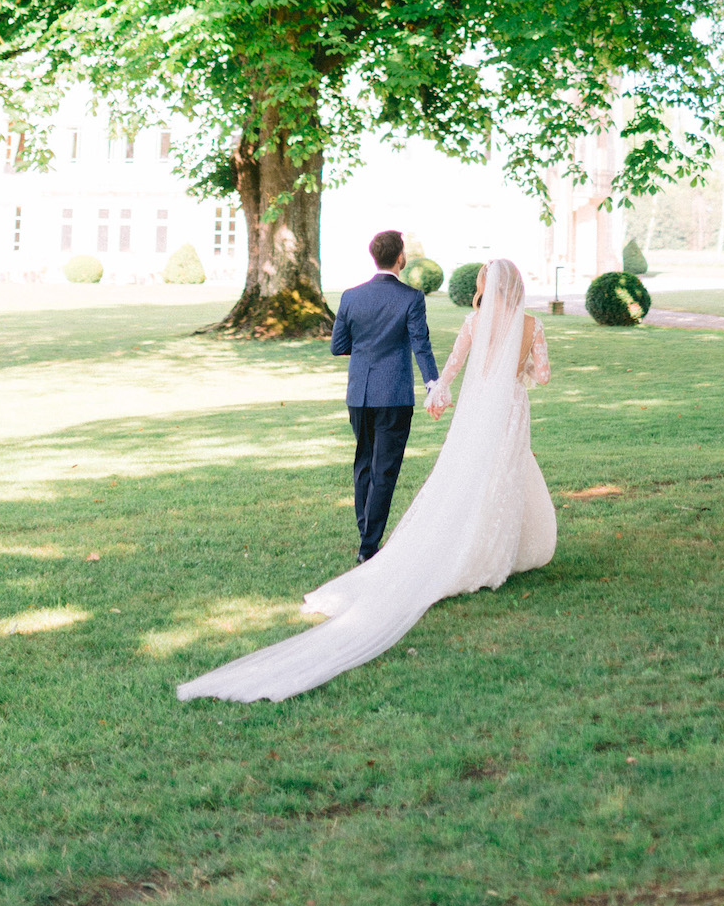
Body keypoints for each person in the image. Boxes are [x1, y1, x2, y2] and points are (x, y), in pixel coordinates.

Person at [177, 258, 555, 703]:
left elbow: (452, 367)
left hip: (476, 412)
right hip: (509, 409)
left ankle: (464, 546)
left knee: (466, 477)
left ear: (484, 288)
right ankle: (496, 552)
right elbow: (542, 376)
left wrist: (439, 391)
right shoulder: (532, 326)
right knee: (501, 477)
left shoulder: (475, 320)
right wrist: (520, 374)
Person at [330, 227, 441, 563]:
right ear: (400, 258)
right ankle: (368, 547)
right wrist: (433, 385)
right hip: (393, 394)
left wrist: (366, 351)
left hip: (359, 394)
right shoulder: (411, 297)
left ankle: (367, 533)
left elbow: (338, 346)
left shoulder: (350, 296)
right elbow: (420, 344)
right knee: (385, 470)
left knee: (364, 463)